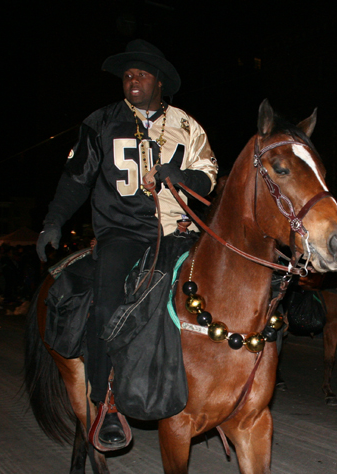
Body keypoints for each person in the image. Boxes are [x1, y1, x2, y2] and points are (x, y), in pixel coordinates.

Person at [37, 39, 218, 450]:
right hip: (122, 232)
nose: (132, 79)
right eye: (128, 74)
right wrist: (53, 222)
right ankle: (106, 402)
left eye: (140, 73)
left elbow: (207, 175)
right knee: (106, 302)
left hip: (178, 233)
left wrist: (179, 176)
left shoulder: (188, 126)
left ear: (159, 81)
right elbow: (76, 179)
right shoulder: (100, 122)